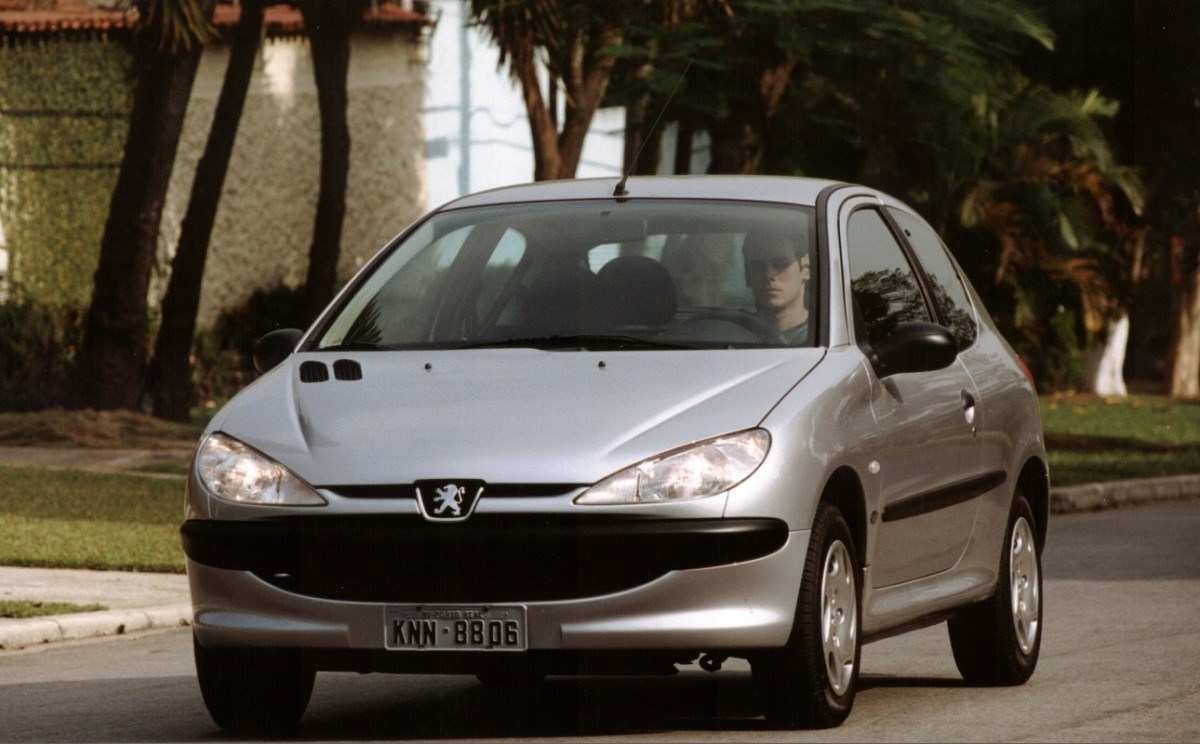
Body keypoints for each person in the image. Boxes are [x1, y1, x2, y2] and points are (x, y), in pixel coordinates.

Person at [743, 229, 811, 345]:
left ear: (805, 270)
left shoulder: (829, 333)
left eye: (780, 264)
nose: (768, 274)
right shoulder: (731, 333)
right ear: (748, 276)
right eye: (757, 266)